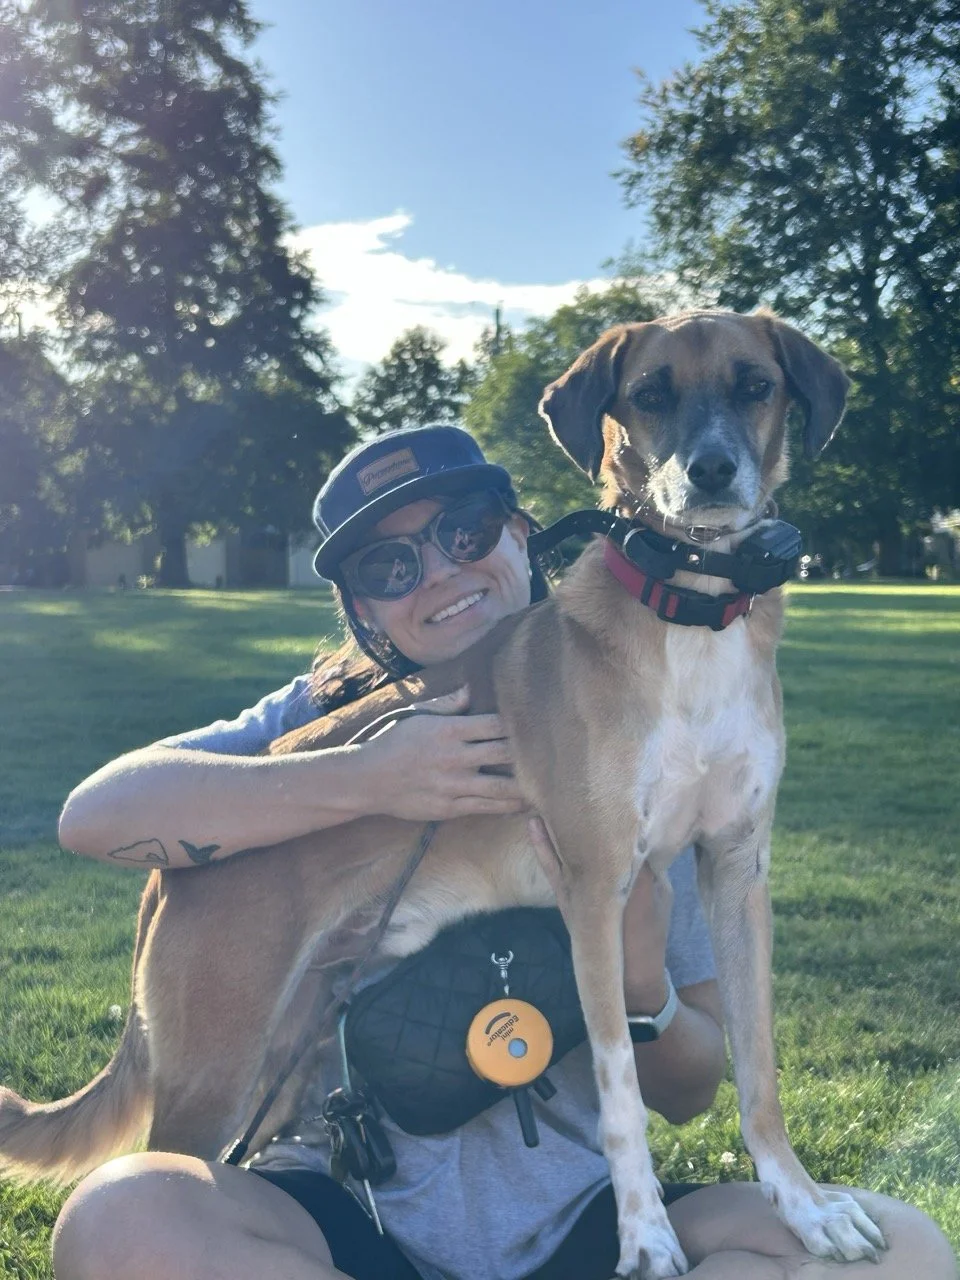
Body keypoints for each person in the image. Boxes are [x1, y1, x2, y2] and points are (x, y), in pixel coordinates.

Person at [53, 427, 955, 1280]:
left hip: (583, 1216)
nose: (441, 571)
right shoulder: (321, 716)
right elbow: (94, 817)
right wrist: (371, 778)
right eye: (390, 563)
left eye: (465, 530)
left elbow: (690, 1092)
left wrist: (647, 984)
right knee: (125, 1215)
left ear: (523, 533)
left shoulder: (660, 708)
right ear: (359, 607)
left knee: (904, 1253)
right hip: (340, 1213)